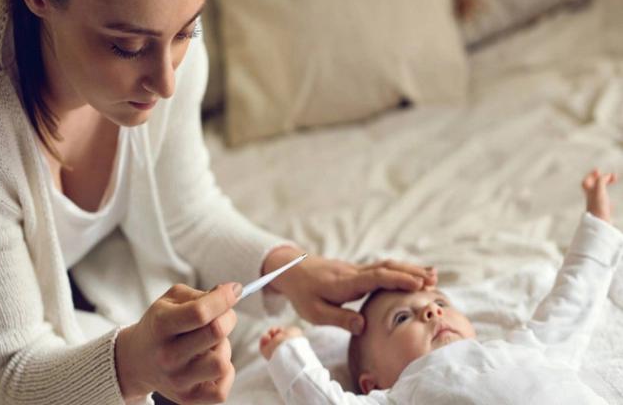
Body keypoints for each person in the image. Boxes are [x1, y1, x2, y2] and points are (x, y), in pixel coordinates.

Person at [0, 0, 438, 404]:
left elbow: (188, 212)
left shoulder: (159, 22)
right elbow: (10, 375)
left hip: (80, 278)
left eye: (186, 32)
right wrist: (132, 365)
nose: (166, 81)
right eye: (128, 47)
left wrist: (289, 271)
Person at [260, 170, 622, 404]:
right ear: (372, 383)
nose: (431, 311)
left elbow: (575, 298)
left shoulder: (528, 349)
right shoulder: (402, 396)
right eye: (401, 319)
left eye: (440, 302)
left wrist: (598, 221)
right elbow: (323, 399)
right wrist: (287, 350)